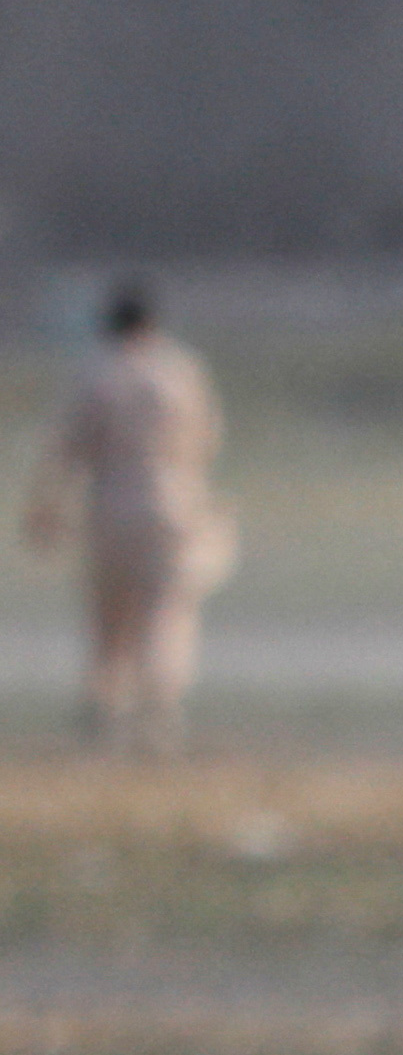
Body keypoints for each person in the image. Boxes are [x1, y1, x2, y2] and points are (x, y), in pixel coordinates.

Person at [23, 278, 231, 753]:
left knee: (110, 618)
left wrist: (45, 506)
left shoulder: (98, 372)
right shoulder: (182, 371)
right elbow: (208, 440)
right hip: (176, 503)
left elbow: (67, 446)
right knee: (167, 613)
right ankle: (160, 714)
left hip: (111, 504)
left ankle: (106, 711)